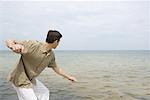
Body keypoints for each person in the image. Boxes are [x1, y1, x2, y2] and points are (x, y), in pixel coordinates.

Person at [5, 30, 77, 100]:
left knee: (44, 92)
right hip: (19, 79)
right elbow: (9, 40)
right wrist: (13, 46)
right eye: (59, 41)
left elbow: (56, 68)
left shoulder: (50, 55)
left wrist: (69, 77)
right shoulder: (33, 45)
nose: (59, 44)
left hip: (31, 80)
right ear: (56, 41)